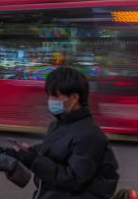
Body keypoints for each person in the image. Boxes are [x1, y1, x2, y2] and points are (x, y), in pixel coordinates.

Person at [7, 67, 119, 199]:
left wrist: (34, 161)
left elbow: (73, 179)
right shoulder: (60, 124)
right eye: (49, 96)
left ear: (74, 98)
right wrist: (22, 153)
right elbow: (54, 150)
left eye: (55, 96)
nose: (50, 101)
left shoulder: (89, 135)